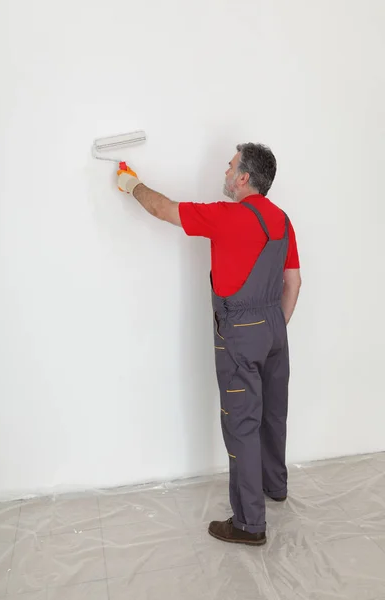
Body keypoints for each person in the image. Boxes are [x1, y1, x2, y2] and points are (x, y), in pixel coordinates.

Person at [117, 143, 301, 546]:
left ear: (244, 178)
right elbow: (293, 283)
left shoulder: (227, 216)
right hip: (275, 328)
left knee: (242, 425)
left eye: (231, 165)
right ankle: (275, 486)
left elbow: (164, 209)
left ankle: (250, 524)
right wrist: (273, 329)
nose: (226, 168)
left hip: (240, 330)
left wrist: (132, 185)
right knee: (272, 415)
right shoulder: (283, 222)